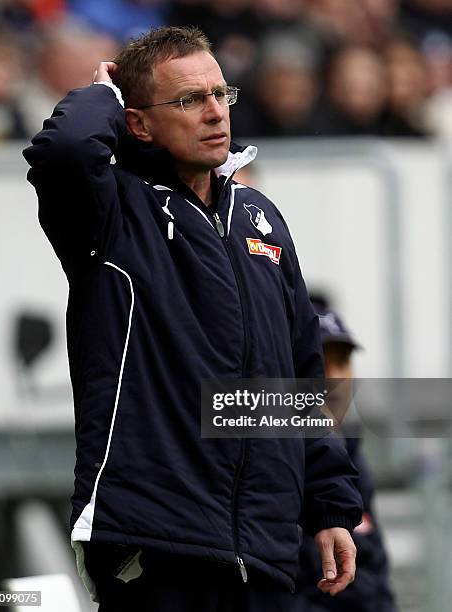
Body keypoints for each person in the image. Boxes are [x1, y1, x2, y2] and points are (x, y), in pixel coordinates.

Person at [23, 26, 362, 612]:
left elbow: (302, 374)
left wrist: (329, 503)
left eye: (220, 95)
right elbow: (67, 150)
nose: (213, 113)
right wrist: (101, 94)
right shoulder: (110, 213)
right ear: (138, 123)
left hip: (263, 550)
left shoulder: (261, 216)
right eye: (187, 100)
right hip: (156, 543)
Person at [292, 297, 397, 612]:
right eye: (322, 362)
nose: (335, 378)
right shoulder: (277, 460)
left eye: (342, 361)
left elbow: (376, 572)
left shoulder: (353, 459)